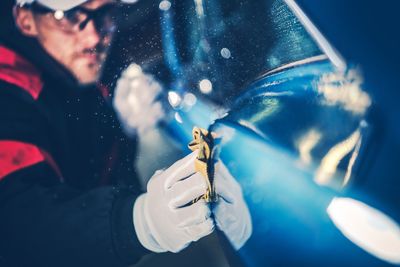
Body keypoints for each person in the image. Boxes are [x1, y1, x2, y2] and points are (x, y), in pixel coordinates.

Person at [0, 0, 252, 266]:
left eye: (105, 12)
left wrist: (120, 128)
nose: (95, 35)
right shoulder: (7, 92)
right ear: (25, 18)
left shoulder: (89, 68)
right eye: (71, 16)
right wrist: (141, 222)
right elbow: (16, 222)